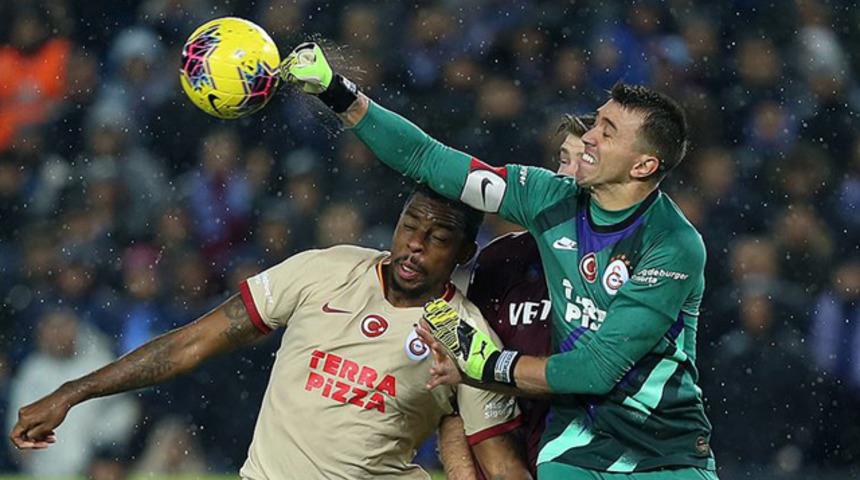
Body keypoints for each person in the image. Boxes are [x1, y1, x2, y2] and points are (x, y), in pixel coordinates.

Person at [282, 43, 717, 479]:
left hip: (668, 449)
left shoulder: (673, 245)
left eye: (607, 131)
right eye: (596, 122)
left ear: (643, 166)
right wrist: (337, 92)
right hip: (576, 446)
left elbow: (596, 370)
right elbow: (427, 159)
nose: (588, 136)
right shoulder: (549, 197)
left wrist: (485, 365)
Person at [10, 186, 530, 480]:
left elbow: (493, 457)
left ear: (463, 255)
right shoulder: (324, 270)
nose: (415, 245)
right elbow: (193, 341)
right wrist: (73, 391)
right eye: (409, 227)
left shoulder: (465, 334)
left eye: (437, 238)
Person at [437, 113, 595, 479]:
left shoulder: (630, 266)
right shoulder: (501, 259)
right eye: (562, 158)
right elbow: (457, 392)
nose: (564, 174)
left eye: (583, 160)